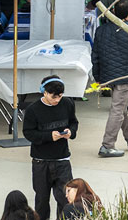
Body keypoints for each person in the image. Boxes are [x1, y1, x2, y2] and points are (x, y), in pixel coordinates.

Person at [92, 1, 128, 158]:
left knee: (120, 108)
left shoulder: (101, 30)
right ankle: (107, 145)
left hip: (107, 75)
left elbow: (95, 56)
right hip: (126, 76)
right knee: (118, 109)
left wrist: (98, 78)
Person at [22, 76, 79, 220]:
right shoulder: (33, 110)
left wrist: (71, 132)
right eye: (54, 97)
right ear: (44, 92)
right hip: (41, 161)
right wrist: (48, 136)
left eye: (60, 96)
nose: (57, 100)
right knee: (41, 200)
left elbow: (74, 122)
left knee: (65, 199)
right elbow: (28, 133)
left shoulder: (67, 104)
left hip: (62, 160)